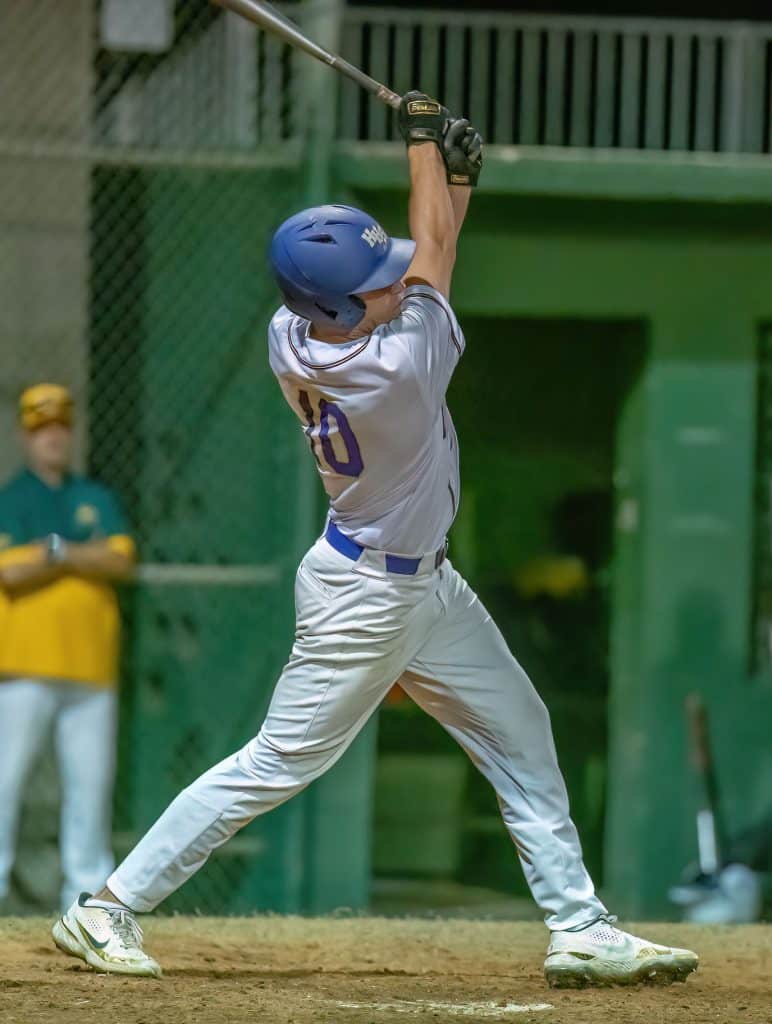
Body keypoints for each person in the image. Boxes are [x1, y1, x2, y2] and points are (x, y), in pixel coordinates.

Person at [51, 94, 698, 987]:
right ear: (336, 307)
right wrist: (428, 151)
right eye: (372, 284)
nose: (391, 285)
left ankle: (579, 924)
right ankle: (106, 907)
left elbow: (425, 252)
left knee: (520, 727)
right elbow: (435, 258)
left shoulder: (293, 333)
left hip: (423, 586)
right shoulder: (396, 366)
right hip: (365, 600)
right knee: (277, 763)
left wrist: (448, 175)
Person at [0, 384, 135, 911]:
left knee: (89, 787)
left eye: (59, 426)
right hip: (25, 666)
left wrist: (52, 552)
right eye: (40, 428)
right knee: (5, 779)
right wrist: (79, 554)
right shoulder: (12, 497)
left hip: (89, 668)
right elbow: (10, 572)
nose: (52, 437)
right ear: (23, 437)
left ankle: (83, 896)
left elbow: (121, 561)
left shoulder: (95, 497)